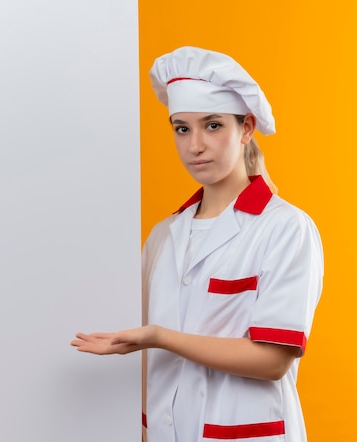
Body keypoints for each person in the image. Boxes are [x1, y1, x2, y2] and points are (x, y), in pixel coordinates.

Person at [71, 46, 324, 442]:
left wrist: (159, 337)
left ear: (246, 128)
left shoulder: (285, 228)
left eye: (213, 125)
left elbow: (273, 359)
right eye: (182, 128)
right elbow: (151, 370)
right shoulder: (162, 236)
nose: (195, 146)